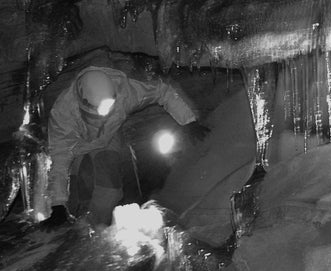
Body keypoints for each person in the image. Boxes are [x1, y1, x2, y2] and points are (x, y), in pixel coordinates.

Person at [44, 66, 208, 227]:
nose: (107, 112)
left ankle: (97, 229)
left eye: (110, 106)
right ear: (85, 103)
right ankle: (77, 228)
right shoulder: (63, 114)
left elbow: (162, 92)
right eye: (101, 109)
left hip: (109, 137)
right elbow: (60, 159)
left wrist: (188, 120)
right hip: (78, 147)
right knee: (76, 197)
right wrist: (58, 204)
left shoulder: (126, 92)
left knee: (111, 192)